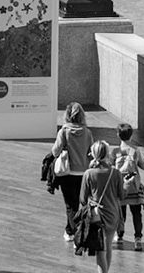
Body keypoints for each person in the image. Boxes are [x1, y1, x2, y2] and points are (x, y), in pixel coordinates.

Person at [81, 139, 123, 271]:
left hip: (96, 215)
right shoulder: (115, 172)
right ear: (107, 154)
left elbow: (82, 199)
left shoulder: (89, 173)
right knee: (108, 246)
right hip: (112, 214)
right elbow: (121, 195)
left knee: (100, 249)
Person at [53, 102, 93, 237]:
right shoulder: (87, 132)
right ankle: (69, 230)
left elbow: (55, 151)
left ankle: (76, 235)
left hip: (67, 171)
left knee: (71, 205)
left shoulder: (64, 131)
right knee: (80, 203)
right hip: (84, 172)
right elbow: (91, 152)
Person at [115, 122, 144, 250]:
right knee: (136, 214)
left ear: (118, 135)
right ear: (131, 136)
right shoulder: (135, 151)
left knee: (121, 214)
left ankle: (120, 235)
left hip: (121, 188)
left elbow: (111, 168)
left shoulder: (115, 152)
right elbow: (143, 166)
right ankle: (138, 238)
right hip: (134, 188)